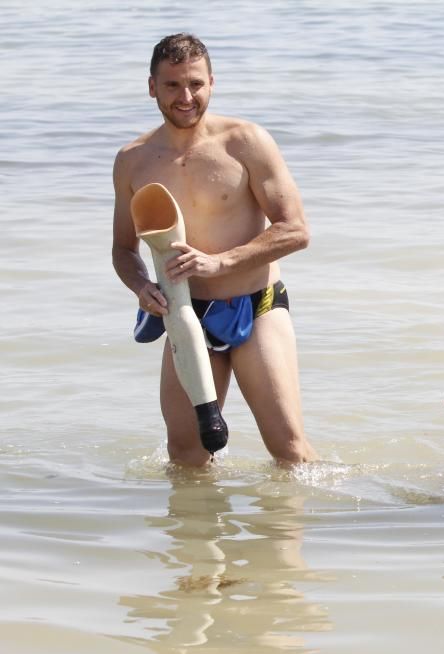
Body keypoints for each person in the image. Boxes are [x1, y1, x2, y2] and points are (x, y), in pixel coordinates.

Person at [112, 33, 316, 466]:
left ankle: (310, 529)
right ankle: (199, 534)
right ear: (152, 87)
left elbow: (295, 230)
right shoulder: (132, 161)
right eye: (172, 86)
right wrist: (141, 287)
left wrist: (221, 261)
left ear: (211, 83)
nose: (185, 97)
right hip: (185, 314)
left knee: (290, 450)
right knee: (185, 456)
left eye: (196, 84)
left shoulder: (246, 142)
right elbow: (123, 249)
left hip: (256, 307)